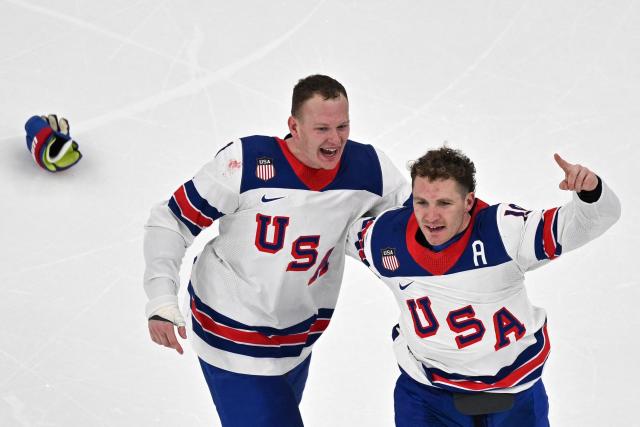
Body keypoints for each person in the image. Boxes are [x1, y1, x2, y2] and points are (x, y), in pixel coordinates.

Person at [143, 74, 410, 426]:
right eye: (322, 129)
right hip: (229, 333)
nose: (336, 139)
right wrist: (161, 298)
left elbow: (415, 225)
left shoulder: (370, 169)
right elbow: (170, 220)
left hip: (297, 337)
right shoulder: (246, 164)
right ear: (294, 126)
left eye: (343, 126)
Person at [348, 147, 621, 426]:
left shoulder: (504, 233)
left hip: (515, 393)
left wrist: (591, 192)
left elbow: (592, 219)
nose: (430, 217)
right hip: (427, 395)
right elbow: (333, 231)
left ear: (468, 201)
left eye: (444, 203)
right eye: (421, 203)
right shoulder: (383, 239)